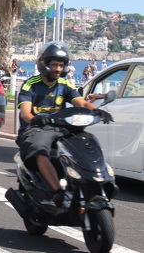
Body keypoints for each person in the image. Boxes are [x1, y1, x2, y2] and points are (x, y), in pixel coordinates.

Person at [16, 42, 110, 206]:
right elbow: (25, 112)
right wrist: (36, 118)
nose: (58, 69)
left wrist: (97, 111)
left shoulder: (65, 84)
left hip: (59, 128)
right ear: (45, 65)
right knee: (40, 151)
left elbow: (80, 102)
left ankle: (90, 182)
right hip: (35, 128)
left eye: (61, 65)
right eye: (54, 65)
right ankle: (57, 192)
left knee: (85, 142)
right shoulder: (31, 84)